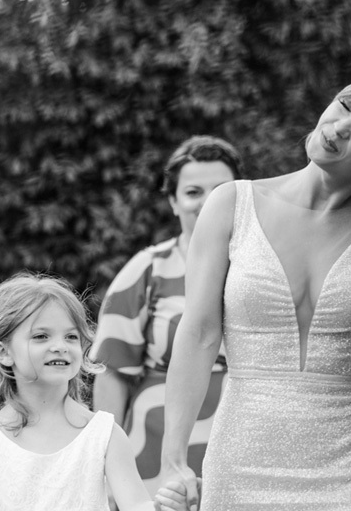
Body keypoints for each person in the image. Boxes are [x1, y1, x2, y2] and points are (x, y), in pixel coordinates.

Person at [157, 60, 351, 511]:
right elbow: (198, 335)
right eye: (345, 105)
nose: (339, 127)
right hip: (240, 461)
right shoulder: (231, 203)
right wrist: (172, 459)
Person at [0, 272, 191, 511]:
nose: (60, 346)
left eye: (71, 336)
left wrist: (165, 508)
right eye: (41, 336)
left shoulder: (105, 435)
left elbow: (136, 505)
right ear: (3, 352)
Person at [91, 135, 243, 497]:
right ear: (174, 202)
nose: (207, 202)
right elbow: (112, 372)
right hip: (153, 454)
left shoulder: (263, 271)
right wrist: (107, 466)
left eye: (220, 190)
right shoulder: (147, 270)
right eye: (193, 192)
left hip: (242, 446)